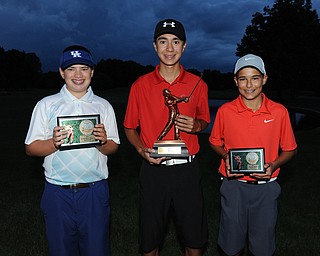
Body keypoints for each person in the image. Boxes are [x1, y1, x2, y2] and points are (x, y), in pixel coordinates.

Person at [124, 19, 210, 256]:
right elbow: (130, 128)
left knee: (194, 240)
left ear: (184, 46)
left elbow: (204, 120)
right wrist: (142, 152)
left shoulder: (197, 84)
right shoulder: (140, 85)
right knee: (149, 240)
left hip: (187, 170)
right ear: (154, 46)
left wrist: (196, 125)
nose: (169, 48)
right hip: (153, 170)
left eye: (175, 42)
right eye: (163, 42)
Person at [25, 45, 120, 256]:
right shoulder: (46, 104)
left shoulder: (103, 106)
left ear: (92, 72)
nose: (78, 75)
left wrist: (101, 141)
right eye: (71, 69)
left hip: (94, 191)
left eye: (84, 68)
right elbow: (31, 148)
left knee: (97, 250)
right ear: (61, 72)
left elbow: (113, 147)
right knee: (60, 250)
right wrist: (53, 142)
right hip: (57, 191)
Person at [209, 54, 297, 256]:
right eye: (243, 79)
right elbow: (214, 142)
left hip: (266, 189)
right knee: (230, 246)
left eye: (255, 78)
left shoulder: (279, 112)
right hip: (233, 186)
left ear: (264, 78)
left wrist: (274, 165)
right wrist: (225, 157)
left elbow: (290, 149)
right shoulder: (225, 111)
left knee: (262, 247)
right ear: (235, 81)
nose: (249, 84)